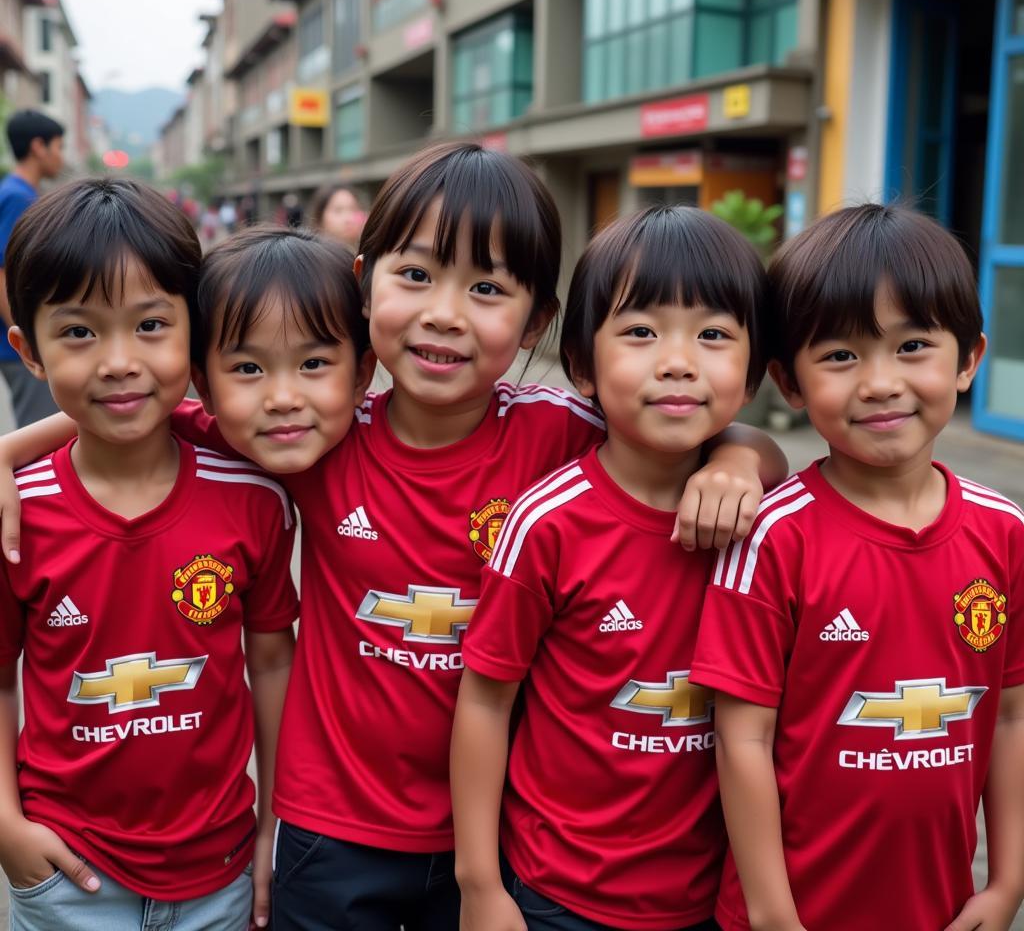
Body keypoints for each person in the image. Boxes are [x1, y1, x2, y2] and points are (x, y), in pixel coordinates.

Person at [0, 144, 784, 930]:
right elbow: (143, 397)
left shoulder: (562, 433)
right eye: (416, 276)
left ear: (538, 321)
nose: (445, 311)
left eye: (485, 287)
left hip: (498, 832)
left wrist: (744, 456)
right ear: (364, 285)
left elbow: (684, 426)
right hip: (330, 826)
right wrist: (7, 454)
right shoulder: (318, 428)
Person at [690, 204, 1024, 931]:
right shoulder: (773, 537)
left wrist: (1004, 886)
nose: (878, 383)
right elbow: (740, 739)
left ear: (968, 359)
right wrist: (774, 916)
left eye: (912, 347)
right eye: (840, 356)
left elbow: (1009, 720)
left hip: (938, 910)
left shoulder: (1005, 533)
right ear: (789, 382)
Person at [452, 206, 769, 931]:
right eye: (641, 332)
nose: (679, 360)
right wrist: (479, 886)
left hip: (710, 896)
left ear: (753, 373)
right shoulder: (547, 523)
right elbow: (485, 700)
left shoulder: (769, 524)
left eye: (714, 335)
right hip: (557, 895)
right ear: (581, 367)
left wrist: (748, 458)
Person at [0, 179, 299, 931]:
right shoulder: (16, 514)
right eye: (78, 332)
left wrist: (274, 825)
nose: (119, 362)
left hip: (219, 871)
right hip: (66, 872)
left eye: (152, 324)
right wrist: (7, 829)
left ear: (195, 334)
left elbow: (270, 660)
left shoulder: (253, 494)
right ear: (26, 351)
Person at [0, 110, 64, 427]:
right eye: (58, 147)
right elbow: (3, 272)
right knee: (39, 432)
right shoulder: (18, 198)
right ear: (39, 147)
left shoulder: (19, 193)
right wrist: (30, 339)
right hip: (20, 346)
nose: (60, 157)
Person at [310, 180, 367, 247]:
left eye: (353, 209)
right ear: (320, 216)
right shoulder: (311, 254)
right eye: (338, 210)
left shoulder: (368, 253)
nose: (348, 218)